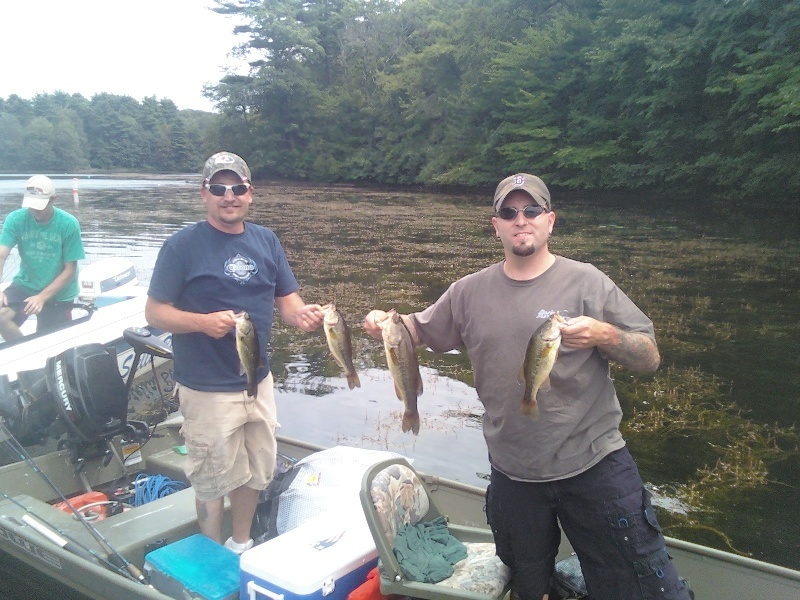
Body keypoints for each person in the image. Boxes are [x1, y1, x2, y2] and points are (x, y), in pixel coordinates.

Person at [364, 174, 692, 599]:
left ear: (550, 221)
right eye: (509, 212)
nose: (521, 220)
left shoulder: (588, 281)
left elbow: (649, 356)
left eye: (532, 210)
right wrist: (379, 323)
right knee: (529, 587)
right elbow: (411, 331)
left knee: (641, 587)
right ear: (495, 224)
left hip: (595, 464)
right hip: (513, 475)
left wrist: (604, 336)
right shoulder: (467, 292)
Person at [145, 152, 324, 553]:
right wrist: (202, 322)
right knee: (211, 478)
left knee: (256, 470)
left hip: (257, 382)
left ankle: (239, 543)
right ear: (204, 194)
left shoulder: (266, 240)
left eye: (238, 187)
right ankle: (211, 555)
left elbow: (288, 302)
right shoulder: (181, 247)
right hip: (206, 388)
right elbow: (154, 313)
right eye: (219, 188)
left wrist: (304, 316)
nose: (230, 196)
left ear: (250, 193)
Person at [0, 175, 85, 341]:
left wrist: (42, 297)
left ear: (53, 199)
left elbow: (70, 270)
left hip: (60, 293)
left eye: (40, 205)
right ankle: (23, 353)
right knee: (1, 317)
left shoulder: (68, 224)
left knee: (47, 340)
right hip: (26, 284)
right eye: (32, 205)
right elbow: (1, 254)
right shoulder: (16, 219)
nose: (35, 211)